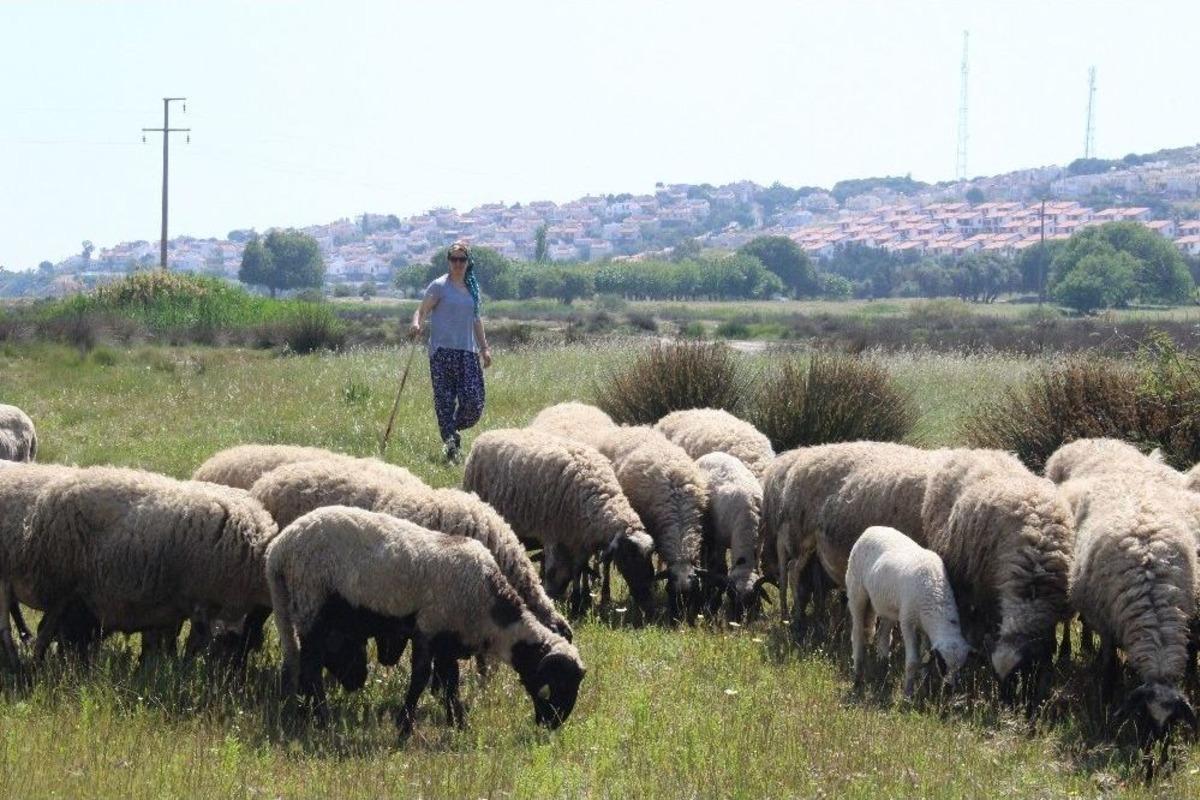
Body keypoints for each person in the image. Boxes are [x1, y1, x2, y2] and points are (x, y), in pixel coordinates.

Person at [410, 241, 491, 462]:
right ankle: (451, 446)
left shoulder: (473, 290)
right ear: (448, 261)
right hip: (442, 353)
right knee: (444, 403)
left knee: (474, 403)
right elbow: (421, 310)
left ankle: (451, 429)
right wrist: (416, 324)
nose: (457, 263)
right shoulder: (439, 286)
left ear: (468, 262)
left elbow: (476, 320)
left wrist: (484, 349)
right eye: (453, 259)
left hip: (467, 353)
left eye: (461, 260)